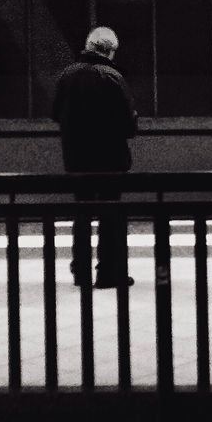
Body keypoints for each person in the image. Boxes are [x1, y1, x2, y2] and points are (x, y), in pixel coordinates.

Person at [51, 25, 137, 289]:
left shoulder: (66, 77)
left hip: (76, 158)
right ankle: (109, 272)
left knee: (82, 212)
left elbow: (55, 114)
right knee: (111, 215)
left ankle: (81, 271)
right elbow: (128, 126)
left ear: (88, 46)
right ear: (110, 51)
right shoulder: (112, 77)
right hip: (110, 160)